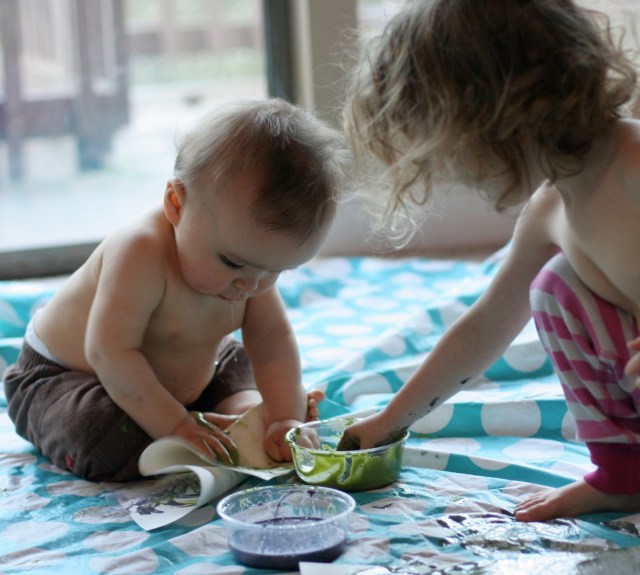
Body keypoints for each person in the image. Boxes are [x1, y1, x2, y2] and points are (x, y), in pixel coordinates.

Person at [341, 0, 640, 522]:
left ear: (493, 118)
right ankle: (625, 478)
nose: (451, 171)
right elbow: (485, 326)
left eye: (445, 149)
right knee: (554, 286)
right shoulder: (552, 208)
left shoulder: (632, 164)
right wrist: (389, 422)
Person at [3, 98, 348, 482]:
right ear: (176, 204)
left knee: (242, 366)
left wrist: (284, 416)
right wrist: (176, 426)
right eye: (232, 263)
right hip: (69, 378)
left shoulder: (251, 265)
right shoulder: (140, 251)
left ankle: (246, 418)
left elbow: (273, 343)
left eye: (276, 270)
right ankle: (191, 431)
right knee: (101, 433)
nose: (252, 285)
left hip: (184, 370)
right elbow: (109, 353)